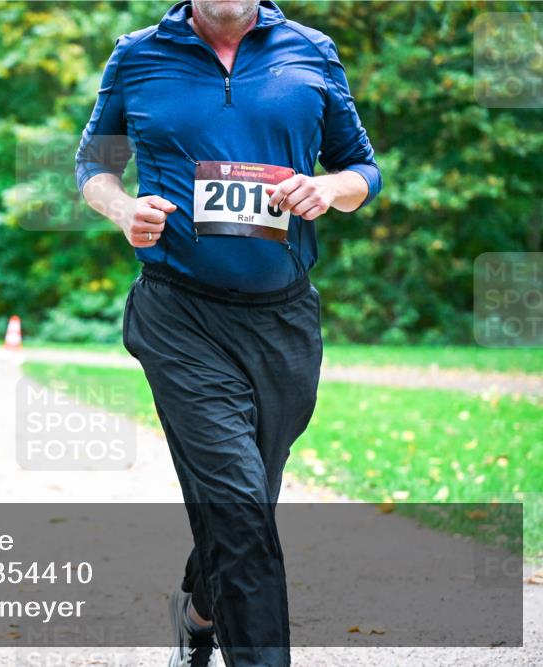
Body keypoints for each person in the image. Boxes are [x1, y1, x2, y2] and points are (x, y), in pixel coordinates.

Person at [75, 2, 381, 666]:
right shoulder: (138, 54)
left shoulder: (312, 52)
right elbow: (92, 166)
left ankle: (197, 612)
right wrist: (123, 208)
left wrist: (329, 190)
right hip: (179, 316)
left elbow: (364, 171)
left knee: (246, 508)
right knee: (240, 509)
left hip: (284, 320)